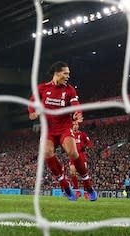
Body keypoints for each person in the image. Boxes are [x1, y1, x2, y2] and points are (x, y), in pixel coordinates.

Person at [28, 61, 97, 201]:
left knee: (72, 152)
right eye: (65, 73)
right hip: (48, 129)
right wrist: (32, 113)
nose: (68, 76)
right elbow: (31, 103)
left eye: (68, 74)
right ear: (57, 73)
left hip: (65, 127)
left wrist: (78, 113)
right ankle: (65, 185)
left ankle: (88, 185)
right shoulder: (42, 88)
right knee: (47, 152)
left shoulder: (69, 89)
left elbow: (76, 104)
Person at [69, 121, 94, 199]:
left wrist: (86, 147)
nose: (75, 126)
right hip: (72, 156)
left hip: (81, 156)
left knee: (84, 174)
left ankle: (86, 192)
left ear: (78, 126)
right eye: (74, 125)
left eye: (76, 125)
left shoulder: (82, 134)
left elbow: (90, 143)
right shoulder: (69, 135)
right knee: (72, 172)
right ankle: (77, 191)